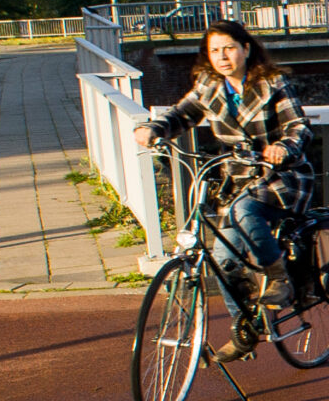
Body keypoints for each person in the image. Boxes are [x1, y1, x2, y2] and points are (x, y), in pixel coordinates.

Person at [130, 21, 311, 362]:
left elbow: (297, 126)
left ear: (246, 49)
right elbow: (181, 114)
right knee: (223, 258)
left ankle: (279, 276)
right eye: (214, 50)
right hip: (238, 180)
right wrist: (154, 128)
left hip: (281, 177)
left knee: (244, 211)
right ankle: (244, 328)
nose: (222, 56)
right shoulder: (208, 85)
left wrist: (284, 147)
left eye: (229, 48)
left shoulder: (273, 83)